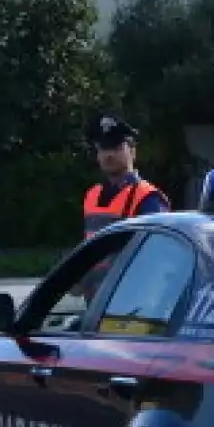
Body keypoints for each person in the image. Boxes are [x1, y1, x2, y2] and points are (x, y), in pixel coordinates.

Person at [77, 115, 170, 298]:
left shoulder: (148, 197)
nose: (109, 155)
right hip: (96, 303)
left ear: (133, 152)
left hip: (131, 305)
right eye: (103, 149)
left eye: (117, 148)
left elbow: (157, 260)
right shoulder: (92, 194)